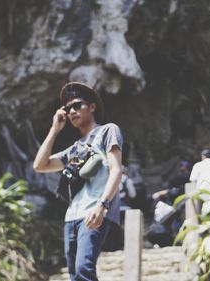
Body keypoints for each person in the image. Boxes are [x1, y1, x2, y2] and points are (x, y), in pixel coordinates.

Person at [33, 82, 123, 281]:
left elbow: (116, 170)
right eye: (67, 108)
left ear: (92, 107)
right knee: (75, 276)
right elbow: (40, 166)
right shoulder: (73, 149)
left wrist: (102, 205)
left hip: (94, 211)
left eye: (77, 105)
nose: (72, 111)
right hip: (71, 217)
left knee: (84, 269)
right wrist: (54, 130)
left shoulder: (108, 131)